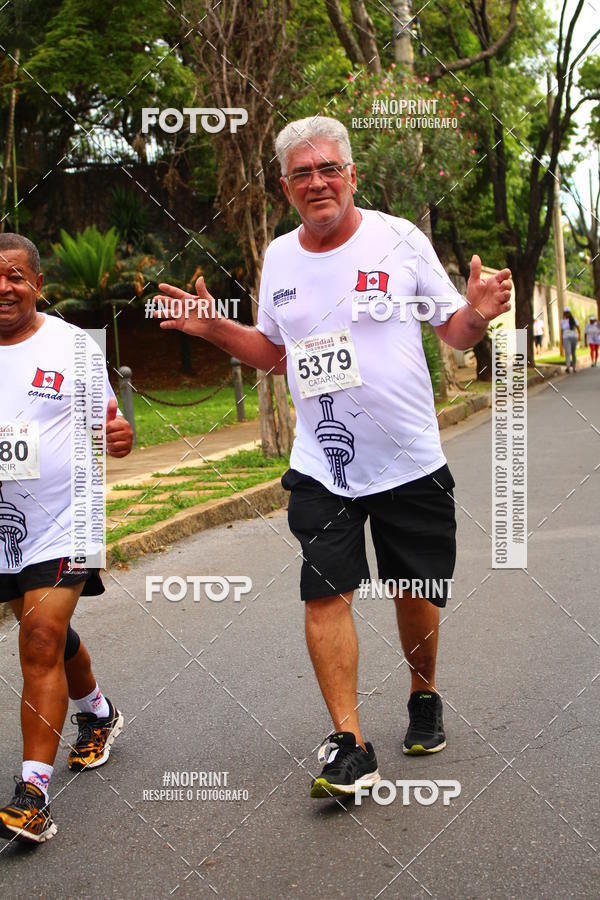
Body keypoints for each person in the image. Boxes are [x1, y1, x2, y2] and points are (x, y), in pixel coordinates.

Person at [153, 116, 512, 799]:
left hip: (408, 458)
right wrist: (217, 329)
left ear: (352, 176)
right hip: (323, 463)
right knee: (325, 593)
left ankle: (423, 691)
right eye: (301, 174)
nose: (316, 182)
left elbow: (453, 330)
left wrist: (479, 312)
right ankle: (350, 744)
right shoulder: (279, 256)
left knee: (414, 593)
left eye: (328, 169)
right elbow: (272, 350)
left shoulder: (398, 238)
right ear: (285, 187)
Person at [0, 234, 133, 843]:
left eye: (16, 275)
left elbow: (109, 424)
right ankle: (98, 713)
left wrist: (118, 436)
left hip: (64, 517)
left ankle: (32, 794)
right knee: (43, 630)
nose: (4, 286)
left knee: (40, 634)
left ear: (37, 285)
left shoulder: (71, 345)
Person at [561, 308, 580, 373]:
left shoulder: (574, 320)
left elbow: (578, 328)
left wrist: (579, 335)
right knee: (567, 352)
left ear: (569, 313)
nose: (566, 314)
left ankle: (574, 367)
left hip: (573, 337)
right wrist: (561, 339)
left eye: (567, 312)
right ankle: (568, 367)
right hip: (566, 338)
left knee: (573, 352)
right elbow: (562, 330)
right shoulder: (562, 321)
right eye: (565, 313)